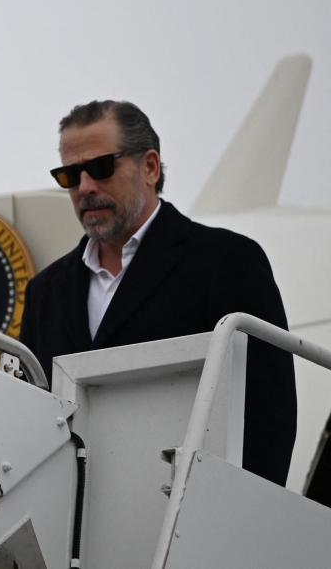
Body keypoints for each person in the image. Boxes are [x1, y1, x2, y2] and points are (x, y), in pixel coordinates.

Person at [20, 100, 296, 486]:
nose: (84, 187)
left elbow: (268, 415)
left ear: (150, 167)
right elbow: (31, 423)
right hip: (71, 517)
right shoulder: (45, 292)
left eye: (101, 167)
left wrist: (235, 513)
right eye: (69, 175)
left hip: (187, 509)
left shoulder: (228, 262)